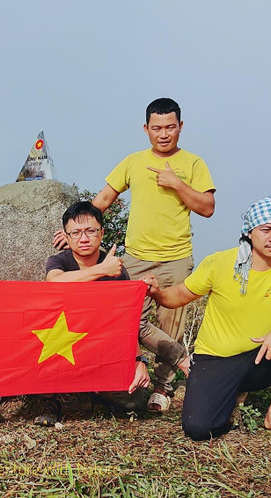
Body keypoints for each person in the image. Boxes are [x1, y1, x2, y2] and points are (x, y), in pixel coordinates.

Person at [54, 97, 216, 412]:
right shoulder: (133, 161)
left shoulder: (194, 164)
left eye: (170, 127)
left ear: (181, 127)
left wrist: (177, 184)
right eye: (157, 128)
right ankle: (140, 371)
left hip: (176, 258)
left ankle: (162, 388)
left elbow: (207, 208)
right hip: (136, 257)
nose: (164, 134)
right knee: (131, 320)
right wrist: (75, 228)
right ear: (146, 129)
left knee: (171, 326)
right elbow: (104, 197)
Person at [144, 197, 271, 444]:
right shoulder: (219, 262)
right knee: (199, 428)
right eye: (266, 229)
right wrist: (156, 292)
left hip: (265, 354)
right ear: (250, 233)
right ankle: (233, 392)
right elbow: (177, 296)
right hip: (217, 359)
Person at [35, 201, 189, 426]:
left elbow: (125, 320)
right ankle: (51, 401)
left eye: (90, 231)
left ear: (101, 233)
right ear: (66, 237)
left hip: (101, 347)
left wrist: (138, 361)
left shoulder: (117, 271)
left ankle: (95, 390)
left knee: (133, 401)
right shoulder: (60, 261)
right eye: (76, 233)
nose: (84, 238)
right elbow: (54, 281)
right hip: (62, 342)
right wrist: (100, 270)